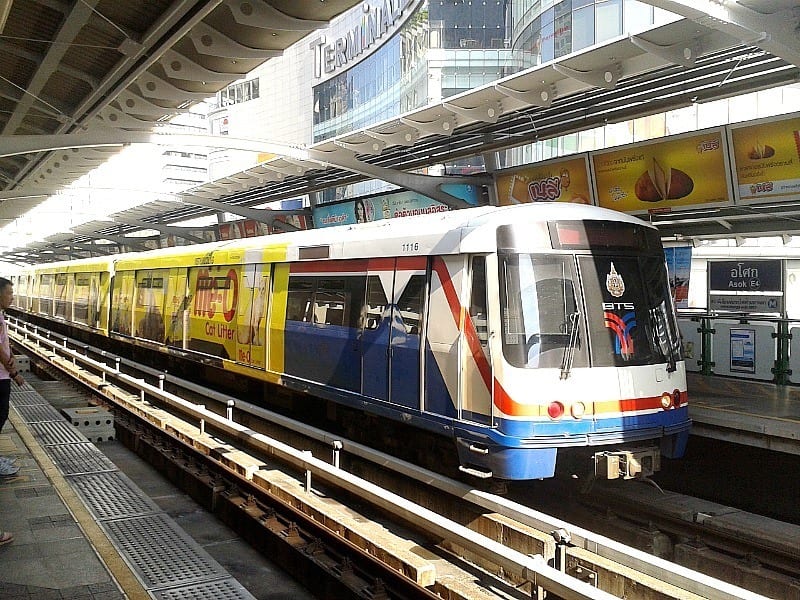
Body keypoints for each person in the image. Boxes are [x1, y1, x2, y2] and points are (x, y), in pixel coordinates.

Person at [0, 277, 23, 477]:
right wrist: (15, 374)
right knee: (0, 416)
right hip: (0, 377)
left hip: (2, 375)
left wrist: (12, 353)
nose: (12, 298)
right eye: (9, 293)